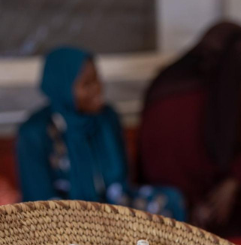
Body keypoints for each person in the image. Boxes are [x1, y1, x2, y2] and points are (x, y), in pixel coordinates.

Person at [137, 22, 241, 237]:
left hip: (220, 192)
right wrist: (192, 204)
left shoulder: (227, 87)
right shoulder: (167, 91)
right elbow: (156, 161)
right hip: (175, 197)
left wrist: (233, 182)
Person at [17, 47, 185, 220]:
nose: (98, 89)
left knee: (169, 200)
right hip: (60, 214)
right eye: (87, 84)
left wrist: (109, 212)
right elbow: (39, 199)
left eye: (97, 79)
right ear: (63, 87)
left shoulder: (107, 118)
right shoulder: (34, 132)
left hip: (112, 204)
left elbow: (121, 181)